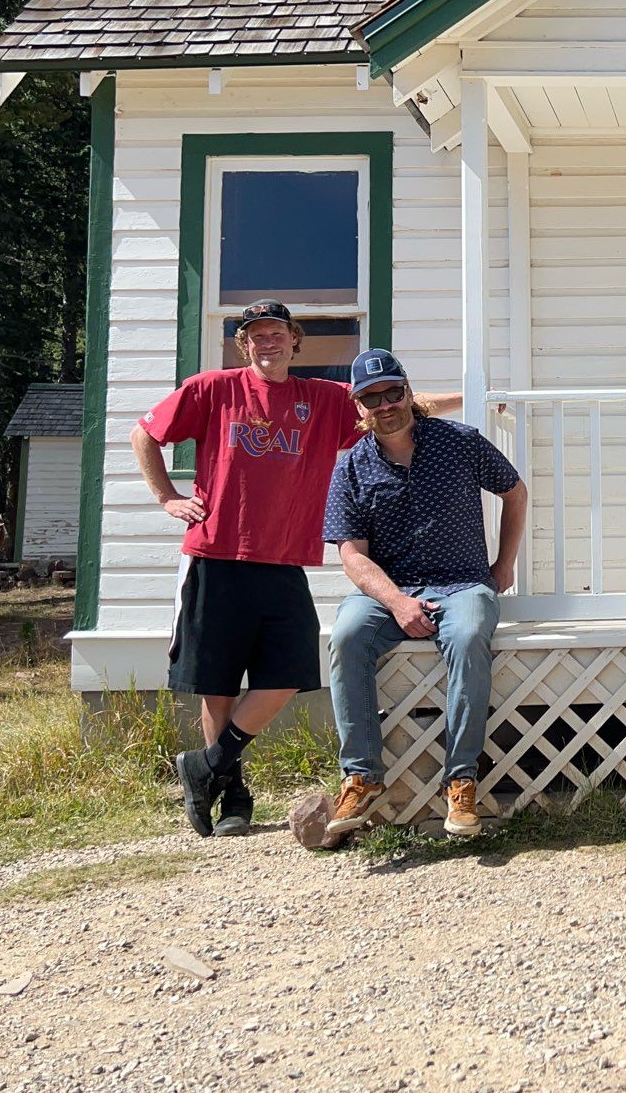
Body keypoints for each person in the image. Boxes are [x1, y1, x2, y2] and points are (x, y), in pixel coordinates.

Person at [131, 303, 459, 837]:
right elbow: (144, 434)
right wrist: (167, 496)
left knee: (288, 672)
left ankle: (204, 766)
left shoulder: (321, 399)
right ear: (244, 345)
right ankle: (232, 796)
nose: (267, 343)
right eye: (255, 336)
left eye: (276, 334)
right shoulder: (214, 388)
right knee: (217, 685)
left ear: (294, 340)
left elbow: (396, 407)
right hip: (216, 554)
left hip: (283, 560)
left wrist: (472, 394)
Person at [320, 348, 526, 841]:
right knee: (347, 635)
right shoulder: (351, 468)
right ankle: (362, 776)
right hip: (391, 589)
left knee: (471, 633)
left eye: (393, 392)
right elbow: (352, 554)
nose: (385, 404)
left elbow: (514, 492)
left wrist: (504, 563)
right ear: (358, 408)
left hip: (462, 582)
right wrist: (397, 602)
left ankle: (461, 781)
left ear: (410, 394)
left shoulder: (460, 442)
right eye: (372, 397)